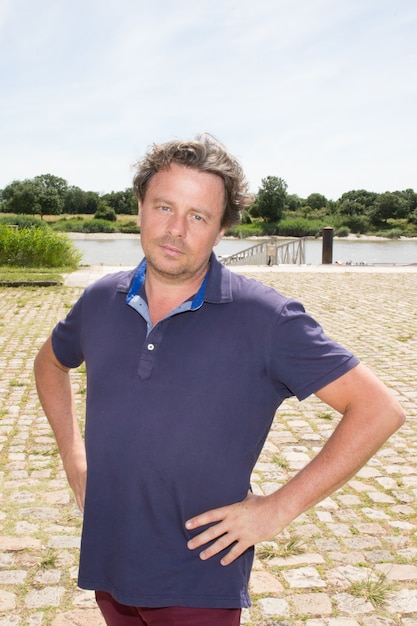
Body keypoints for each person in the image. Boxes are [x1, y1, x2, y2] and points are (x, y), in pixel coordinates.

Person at [34, 134, 405, 626]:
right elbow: (49, 365)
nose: (176, 230)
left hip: (198, 580)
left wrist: (276, 509)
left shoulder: (267, 318)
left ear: (221, 229)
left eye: (199, 216)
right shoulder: (101, 299)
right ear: (140, 208)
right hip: (109, 558)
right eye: (164, 207)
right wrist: (73, 453)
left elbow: (379, 411)